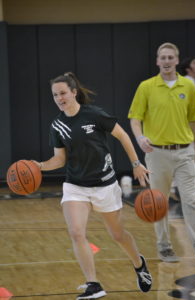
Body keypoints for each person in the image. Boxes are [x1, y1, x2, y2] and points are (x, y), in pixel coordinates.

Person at [33, 72, 152, 299]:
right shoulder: (57, 125)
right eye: (55, 95)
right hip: (76, 186)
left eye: (63, 93)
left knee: (118, 235)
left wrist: (136, 163)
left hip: (105, 185)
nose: (59, 98)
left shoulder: (94, 115)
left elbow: (123, 135)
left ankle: (139, 264)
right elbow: (59, 160)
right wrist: (38, 166)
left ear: (74, 92)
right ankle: (93, 284)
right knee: (76, 233)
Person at [128, 42, 195, 264]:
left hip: (185, 152)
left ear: (177, 61)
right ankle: (164, 247)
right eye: (163, 58)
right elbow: (135, 118)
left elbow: (194, 119)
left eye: (171, 57)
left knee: (190, 200)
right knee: (160, 202)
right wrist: (140, 138)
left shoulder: (188, 88)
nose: (167, 61)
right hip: (157, 154)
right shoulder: (146, 87)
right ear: (157, 61)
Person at [170, 56, 195, 200]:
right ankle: (178, 189)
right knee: (190, 158)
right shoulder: (188, 83)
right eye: (194, 62)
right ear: (188, 68)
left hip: (186, 128)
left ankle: (178, 189)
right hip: (185, 130)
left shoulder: (191, 83)